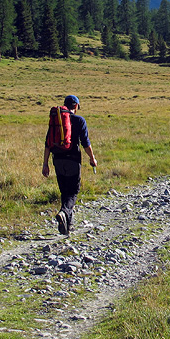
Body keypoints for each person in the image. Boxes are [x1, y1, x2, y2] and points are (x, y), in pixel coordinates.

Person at [42, 95, 97, 236]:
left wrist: (45, 164)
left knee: (64, 191)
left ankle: (67, 226)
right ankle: (64, 212)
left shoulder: (57, 120)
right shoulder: (79, 120)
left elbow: (48, 144)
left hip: (57, 159)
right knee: (73, 192)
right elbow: (85, 143)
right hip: (73, 160)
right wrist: (92, 159)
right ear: (76, 106)